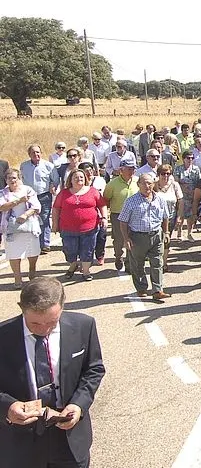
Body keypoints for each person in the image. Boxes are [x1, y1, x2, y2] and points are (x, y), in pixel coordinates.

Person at [0, 277, 105, 468]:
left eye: (52, 322)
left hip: (69, 437)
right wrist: (7, 406)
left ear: (62, 307)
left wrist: (79, 405)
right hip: (19, 441)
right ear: (21, 308)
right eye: (35, 324)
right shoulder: (3, 336)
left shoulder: (84, 326)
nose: (44, 330)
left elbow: (94, 369)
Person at [119, 172, 171, 302]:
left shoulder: (160, 199)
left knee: (157, 263)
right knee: (137, 264)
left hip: (156, 235)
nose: (147, 186)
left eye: (150, 183)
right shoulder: (131, 201)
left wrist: (166, 232)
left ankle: (157, 290)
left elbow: (165, 217)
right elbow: (123, 221)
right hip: (137, 237)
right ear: (138, 185)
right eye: (144, 183)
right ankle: (141, 288)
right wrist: (126, 239)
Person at [51, 170, 107, 283]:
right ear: (70, 180)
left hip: (90, 228)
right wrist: (55, 224)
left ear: (85, 179)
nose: (79, 179)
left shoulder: (93, 191)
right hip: (67, 229)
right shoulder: (64, 193)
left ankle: (86, 271)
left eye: (81, 177)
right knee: (70, 250)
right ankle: (73, 264)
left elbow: (102, 205)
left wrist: (104, 218)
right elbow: (56, 208)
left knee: (88, 250)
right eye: (75, 177)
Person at [0, 168, 42, 289]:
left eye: (14, 177)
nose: (12, 180)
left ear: (19, 178)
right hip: (11, 228)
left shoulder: (28, 189)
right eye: (9, 178)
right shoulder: (2, 193)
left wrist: (25, 215)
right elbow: (2, 207)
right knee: (13, 254)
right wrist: (19, 200)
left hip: (29, 225)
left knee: (33, 251)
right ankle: (17, 278)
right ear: (6, 180)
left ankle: (32, 270)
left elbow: (36, 206)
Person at [20, 144, 59, 255]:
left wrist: (52, 185)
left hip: (44, 195)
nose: (35, 154)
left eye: (37, 152)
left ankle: (45, 244)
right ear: (29, 154)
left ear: (41, 153)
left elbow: (55, 180)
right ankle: (32, 243)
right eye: (33, 152)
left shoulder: (49, 166)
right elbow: (21, 180)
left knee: (44, 219)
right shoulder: (24, 166)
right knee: (30, 219)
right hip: (29, 197)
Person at [102, 159, 137, 271]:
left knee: (132, 238)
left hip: (134, 215)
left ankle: (128, 263)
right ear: (121, 170)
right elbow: (106, 199)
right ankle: (118, 256)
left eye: (133, 169)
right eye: (129, 169)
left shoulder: (137, 181)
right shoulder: (112, 184)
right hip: (118, 215)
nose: (132, 171)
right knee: (119, 240)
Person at [154, 164, 182, 273]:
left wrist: (180, 216)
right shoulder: (154, 186)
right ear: (159, 174)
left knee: (166, 239)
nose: (165, 176)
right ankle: (157, 261)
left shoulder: (175, 185)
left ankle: (164, 263)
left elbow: (181, 201)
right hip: (156, 218)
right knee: (157, 241)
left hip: (171, 217)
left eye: (168, 174)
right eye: (163, 173)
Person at [173, 151, 201, 241]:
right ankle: (179, 232)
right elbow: (176, 181)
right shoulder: (178, 169)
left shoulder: (196, 169)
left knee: (191, 216)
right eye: (188, 158)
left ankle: (190, 233)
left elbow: (199, 181)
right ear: (183, 159)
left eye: (192, 158)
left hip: (192, 196)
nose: (190, 160)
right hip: (182, 196)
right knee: (180, 215)